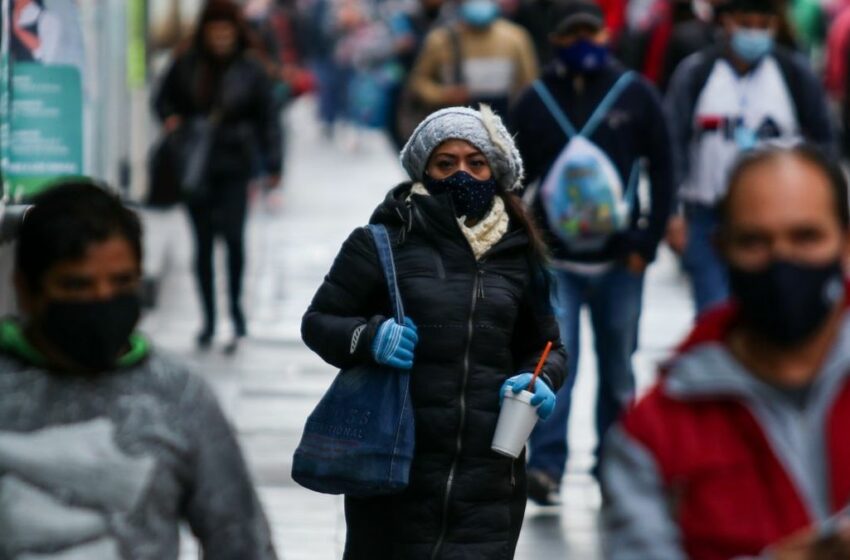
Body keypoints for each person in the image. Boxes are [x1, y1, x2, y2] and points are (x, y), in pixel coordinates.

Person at [301, 105, 567, 558]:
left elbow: (548, 347)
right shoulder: (382, 240)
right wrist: (370, 339)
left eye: (475, 162)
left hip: (489, 482)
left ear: (494, 172)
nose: (462, 173)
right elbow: (320, 323)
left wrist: (540, 379)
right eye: (447, 163)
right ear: (424, 168)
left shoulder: (519, 254)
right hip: (395, 473)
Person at [0, 180, 276, 558]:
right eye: (77, 285)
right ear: (26, 290)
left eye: (121, 283)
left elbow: (240, 541)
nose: (101, 300)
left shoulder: (179, 397)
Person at [601, 144, 850, 559]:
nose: (781, 261)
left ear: (844, 243)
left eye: (805, 236)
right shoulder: (655, 436)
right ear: (721, 249)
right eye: (755, 242)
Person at [508, 0, 674, 505]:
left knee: (619, 367)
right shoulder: (535, 101)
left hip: (621, 261)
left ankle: (614, 466)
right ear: (555, 40)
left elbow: (665, 169)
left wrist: (647, 242)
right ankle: (548, 467)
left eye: (590, 33)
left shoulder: (636, 95)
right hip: (558, 262)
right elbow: (515, 179)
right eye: (571, 34)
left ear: (606, 36)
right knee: (558, 365)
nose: (582, 43)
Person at [665, 0, 833, 315]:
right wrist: (672, 213)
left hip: (778, 217)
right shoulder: (697, 73)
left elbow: (824, 142)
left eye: (763, 25)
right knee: (714, 312)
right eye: (747, 23)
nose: (754, 33)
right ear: (727, 23)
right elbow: (673, 144)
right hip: (708, 215)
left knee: (773, 312)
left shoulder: (792, 73)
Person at [153, 0, 282, 352]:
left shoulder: (250, 68)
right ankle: (209, 319)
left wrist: (273, 164)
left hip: (235, 165)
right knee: (203, 244)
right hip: (196, 166)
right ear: (205, 32)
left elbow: (268, 118)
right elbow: (161, 100)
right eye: (215, 31)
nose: (221, 38)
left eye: (227, 31)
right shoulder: (187, 63)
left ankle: (236, 315)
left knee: (235, 241)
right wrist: (173, 120)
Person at [406, 0, 539, 118]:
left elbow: (529, 84)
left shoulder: (515, 37)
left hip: (504, 120)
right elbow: (418, 82)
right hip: (456, 121)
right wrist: (444, 95)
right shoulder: (441, 40)